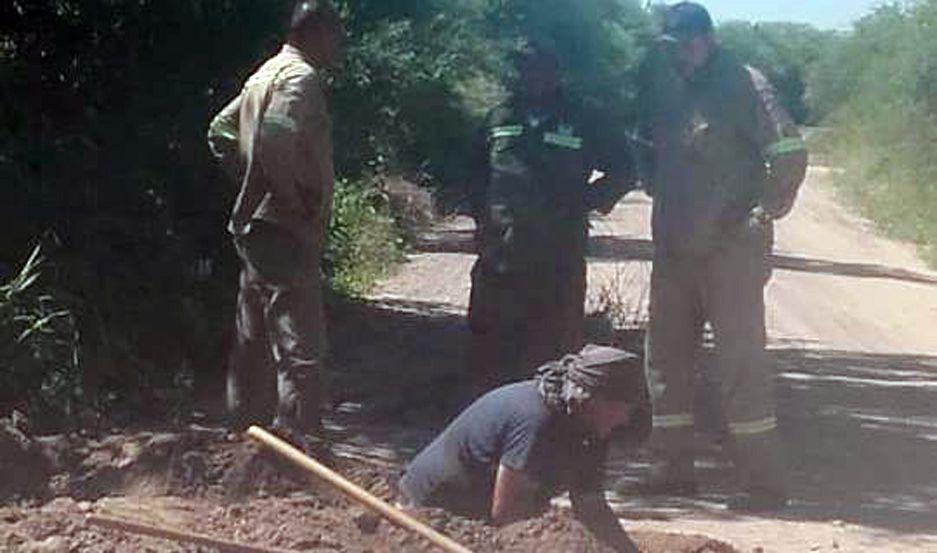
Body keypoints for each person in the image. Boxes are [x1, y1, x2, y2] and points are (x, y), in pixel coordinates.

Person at [634, 2, 808, 510]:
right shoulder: (662, 84)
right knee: (664, 358)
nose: (680, 52)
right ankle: (670, 470)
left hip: (731, 251)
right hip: (674, 248)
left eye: (687, 42)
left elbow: (789, 153)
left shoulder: (744, 82)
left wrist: (764, 211)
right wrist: (650, 176)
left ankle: (762, 483)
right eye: (671, 45)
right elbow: (643, 140)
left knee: (739, 363)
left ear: (708, 38)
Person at [206, 1, 344, 452]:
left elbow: (220, 131)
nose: (337, 47)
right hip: (284, 229)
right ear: (317, 33)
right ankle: (304, 446)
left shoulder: (264, 73)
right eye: (335, 36)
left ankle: (245, 432)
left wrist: (247, 183)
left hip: (257, 228)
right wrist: (287, 197)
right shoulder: (299, 78)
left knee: (253, 334)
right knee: (299, 340)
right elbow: (272, 140)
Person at [468, 45, 635, 388]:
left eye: (539, 67)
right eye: (525, 68)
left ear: (556, 72)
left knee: (553, 347)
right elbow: (473, 174)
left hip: (558, 258)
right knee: (491, 344)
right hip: (501, 256)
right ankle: (491, 418)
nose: (531, 75)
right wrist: (483, 219)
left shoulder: (585, 118)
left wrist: (584, 201)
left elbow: (624, 170)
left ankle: (553, 423)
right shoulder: (499, 118)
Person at [399, 345, 651, 553]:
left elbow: (591, 506)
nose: (625, 419)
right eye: (623, 408)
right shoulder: (535, 422)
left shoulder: (590, 428)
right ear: (592, 400)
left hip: (482, 514)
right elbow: (508, 516)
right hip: (430, 517)